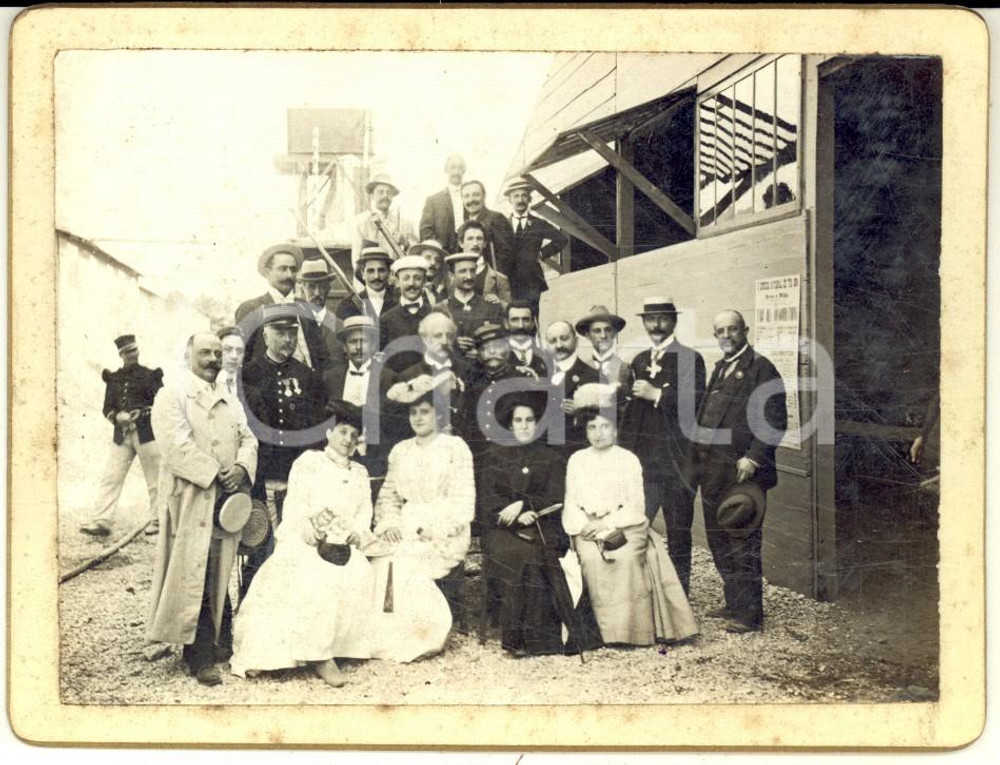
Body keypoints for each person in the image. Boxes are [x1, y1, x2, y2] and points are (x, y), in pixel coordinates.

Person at [230, 400, 377, 687]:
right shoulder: (309, 462)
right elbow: (296, 506)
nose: (347, 440)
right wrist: (308, 528)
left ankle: (333, 649)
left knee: (358, 571)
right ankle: (305, 655)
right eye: (342, 432)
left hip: (342, 544)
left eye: (353, 435)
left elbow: (364, 515)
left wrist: (358, 533)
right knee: (307, 572)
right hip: (305, 538)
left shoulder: (359, 473)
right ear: (330, 433)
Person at [146, 332, 258, 686]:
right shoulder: (172, 395)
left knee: (218, 568)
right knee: (192, 572)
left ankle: (218, 642)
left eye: (217, 352)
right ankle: (198, 656)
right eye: (204, 353)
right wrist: (214, 473)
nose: (212, 359)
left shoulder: (228, 397)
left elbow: (248, 438)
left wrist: (241, 468)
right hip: (190, 498)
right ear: (188, 355)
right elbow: (174, 447)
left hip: (225, 499)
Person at [562, 384, 698, 647]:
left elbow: (635, 507)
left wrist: (607, 523)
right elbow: (571, 504)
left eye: (604, 427)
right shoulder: (577, 460)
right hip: (587, 528)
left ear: (615, 429)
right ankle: (603, 633)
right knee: (591, 558)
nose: (598, 434)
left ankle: (631, 632)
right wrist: (586, 526)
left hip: (625, 526)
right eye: (592, 428)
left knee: (624, 558)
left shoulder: (628, 459)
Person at [694, 309, 786, 634]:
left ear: (745, 331)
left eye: (733, 329)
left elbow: (775, 421)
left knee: (742, 541)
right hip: (712, 472)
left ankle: (750, 615)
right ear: (715, 334)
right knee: (718, 539)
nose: (727, 336)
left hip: (742, 474)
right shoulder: (720, 368)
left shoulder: (761, 369)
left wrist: (754, 458)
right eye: (720, 331)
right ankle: (734, 602)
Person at [370, 381, 476, 662]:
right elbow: (389, 496)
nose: (418, 418)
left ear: (438, 415)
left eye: (424, 411)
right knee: (382, 563)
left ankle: (422, 637)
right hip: (407, 525)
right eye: (413, 412)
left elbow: (464, 501)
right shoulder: (401, 450)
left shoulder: (454, 447)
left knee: (407, 568)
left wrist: (438, 530)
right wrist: (390, 524)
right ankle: (388, 636)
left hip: (444, 530)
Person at [618, 298, 706, 596]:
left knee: (679, 532)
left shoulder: (690, 359)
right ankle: (639, 591)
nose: (655, 325)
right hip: (644, 464)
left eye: (662, 319)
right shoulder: (640, 360)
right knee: (635, 527)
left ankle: (679, 595)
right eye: (650, 319)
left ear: (674, 321)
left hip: (678, 464)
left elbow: (696, 404)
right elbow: (632, 415)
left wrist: (657, 394)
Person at [480, 393, 579, 656]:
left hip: (540, 525)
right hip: (501, 529)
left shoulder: (551, 457)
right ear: (510, 425)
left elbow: (555, 496)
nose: (524, 425)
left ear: (537, 424)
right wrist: (508, 512)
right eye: (518, 421)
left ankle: (543, 640)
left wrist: (525, 506)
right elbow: (486, 500)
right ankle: (516, 639)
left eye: (530, 420)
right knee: (517, 554)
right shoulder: (494, 456)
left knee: (539, 553)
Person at [240, 304, 328, 598]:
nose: (287, 340)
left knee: (298, 545)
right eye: (279, 333)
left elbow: (317, 430)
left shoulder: (308, 377)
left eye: (292, 333)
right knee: (260, 543)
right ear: (265, 335)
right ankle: (252, 607)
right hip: (263, 473)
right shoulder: (249, 375)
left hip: (297, 473)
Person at [80, 334, 164, 538]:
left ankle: (159, 520)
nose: (131, 354)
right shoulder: (114, 378)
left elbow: (162, 404)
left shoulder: (150, 375)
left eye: (134, 350)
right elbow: (107, 407)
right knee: (111, 476)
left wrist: (141, 412)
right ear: (121, 354)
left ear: (138, 350)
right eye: (127, 352)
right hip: (122, 435)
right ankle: (102, 520)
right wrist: (117, 416)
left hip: (146, 434)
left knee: (156, 479)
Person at [323, 315, 405, 495]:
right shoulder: (331, 378)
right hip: (338, 460)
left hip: (376, 459)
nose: (359, 347)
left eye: (364, 341)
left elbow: (394, 425)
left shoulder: (388, 377)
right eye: (353, 342)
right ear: (344, 347)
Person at [391, 311, 472, 438]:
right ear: (424, 338)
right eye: (438, 336)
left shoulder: (467, 370)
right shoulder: (407, 376)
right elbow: (402, 424)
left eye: (449, 336)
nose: (444, 341)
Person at [235, 243, 314, 368]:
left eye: (293, 269)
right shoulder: (250, 309)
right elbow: (243, 359)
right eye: (283, 269)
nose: (289, 275)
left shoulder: (304, 307)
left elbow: (320, 354)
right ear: (268, 273)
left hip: (311, 383)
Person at [503, 177, 569, 315]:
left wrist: (541, 254)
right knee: (511, 317)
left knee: (531, 318)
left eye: (524, 196)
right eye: (516, 196)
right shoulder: (502, 225)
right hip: (508, 281)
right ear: (510, 200)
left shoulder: (539, 224)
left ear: (529, 199)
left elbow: (561, 239)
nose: (520, 200)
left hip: (531, 281)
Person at [543, 320, 599, 459]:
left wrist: (581, 412)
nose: (559, 345)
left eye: (564, 338)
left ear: (576, 340)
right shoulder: (539, 375)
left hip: (579, 455)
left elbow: (606, 419)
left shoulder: (593, 377)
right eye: (553, 341)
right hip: (545, 459)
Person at [442, 250, 504, 361]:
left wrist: (482, 354)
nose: (469, 276)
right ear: (451, 275)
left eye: (472, 270)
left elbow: (502, 344)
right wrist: (453, 345)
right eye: (462, 271)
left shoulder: (491, 307)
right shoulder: (441, 310)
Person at [350, 173, 417, 270]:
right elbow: (357, 260)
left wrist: (405, 243)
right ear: (372, 196)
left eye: (389, 192)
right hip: (372, 280)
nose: (385, 196)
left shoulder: (404, 224)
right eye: (380, 192)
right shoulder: (360, 222)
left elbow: (415, 255)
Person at [379, 255, 434, 372]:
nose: (411, 283)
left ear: (424, 281)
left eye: (417, 278)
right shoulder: (386, 319)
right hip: (397, 384)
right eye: (406, 278)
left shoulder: (436, 316)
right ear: (398, 282)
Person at [460, 180, 516, 277]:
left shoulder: (496, 219)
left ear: (484, 196)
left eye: (476, 195)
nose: (471, 200)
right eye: (466, 196)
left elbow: (506, 256)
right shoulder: (464, 225)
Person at [335, 246, 398, 328]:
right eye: (371, 271)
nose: (376, 276)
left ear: (389, 273)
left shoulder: (400, 301)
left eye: (381, 270)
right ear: (362, 273)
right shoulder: (348, 305)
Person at [295, 258, 342, 370]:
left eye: (322, 287)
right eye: (311, 286)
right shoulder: (296, 324)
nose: (317, 293)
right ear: (302, 289)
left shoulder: (340, 327)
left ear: (328, 288)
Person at [456, 219, 512, 307]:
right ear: (461, 243)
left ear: (485, 243)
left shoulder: (499, 279)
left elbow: (510, 311)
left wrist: (499, 303)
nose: (475, 243)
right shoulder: (450, 276)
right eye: (470, 239)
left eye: (479, 239)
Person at [419, 154, 466, 255]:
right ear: (446, 171)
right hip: (442, 256)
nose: (456, 172)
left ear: (463, 171)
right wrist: (439, 250)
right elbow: (425, 231)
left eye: (459, 168)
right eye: (453, 168)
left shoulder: (470, 199)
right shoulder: (433, 201)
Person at [576, 304, 630, 390]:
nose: (603, 335)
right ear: (588, 335)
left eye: (608, 330)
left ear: (615, 333)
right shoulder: (581, 368)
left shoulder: (625, 369)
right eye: (597, 331)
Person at [505, 299, 549, 378]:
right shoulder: (499, 355)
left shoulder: (546, 354)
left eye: (525, 320)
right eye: (515, 320)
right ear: (506, 323)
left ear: (533, 323)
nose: (520, 325)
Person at [410, 239, 451, 304]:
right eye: (428, 257)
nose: (433, 263)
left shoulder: (443, 293)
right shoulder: (408, 289)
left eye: (437, 260)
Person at [216, 326, 246, 400]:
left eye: (239, 351)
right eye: (227, 349)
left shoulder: (249, 389)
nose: (234, 356)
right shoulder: (204, 386)